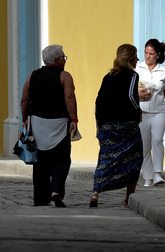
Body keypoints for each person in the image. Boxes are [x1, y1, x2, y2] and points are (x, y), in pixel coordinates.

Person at [20, 44, 78, 207]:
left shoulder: (33, 75)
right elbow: (69, 97)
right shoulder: (64, 76)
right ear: (58, 60)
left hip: (37, 124)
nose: (65, 61)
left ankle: (40, 198)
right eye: (63, 58)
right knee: (61, 159)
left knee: (40, 163)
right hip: (59, 123)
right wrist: (74, 119)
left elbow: (24, 99)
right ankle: (56, 190)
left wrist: (25, 120)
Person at [90, 44, 143, 207]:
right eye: (136, 57)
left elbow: (99, 100)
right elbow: (131, 97)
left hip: (108, 125)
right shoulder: (133, 76)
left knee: (105, 158)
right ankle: (129, 197)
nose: (138, 60)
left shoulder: (108, 76)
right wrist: (139, 111)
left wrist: (98, 122)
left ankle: (95, 193)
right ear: (130, 58)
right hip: (127, 125)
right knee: (135, 158)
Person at [136, 39, 165, 187]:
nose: (147, 56)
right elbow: (131, 90)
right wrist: (138, 94)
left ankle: (158, 173)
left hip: (160, 111)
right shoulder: (137, 69)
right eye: (146, 52)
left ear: (157, 55)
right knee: (145, 145)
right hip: (142, 111)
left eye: (151, 53)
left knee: (157, 140)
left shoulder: (164, 72)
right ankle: (147, 177)